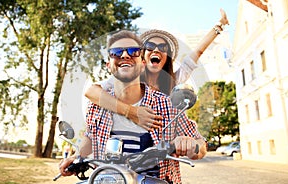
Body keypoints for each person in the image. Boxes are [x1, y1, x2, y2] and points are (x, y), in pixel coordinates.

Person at [59, 30, 207, 184]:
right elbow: (91, 138)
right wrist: (77, 158)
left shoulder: (167, 104)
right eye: (116, 52)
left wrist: (189, 144)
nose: (124, 55)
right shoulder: (97, 106)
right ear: (109, 64)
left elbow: (200, 146)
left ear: (142, 63)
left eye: (133, 51)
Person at [84, 9, 229, 130]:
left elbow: (197, 52)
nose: (156, 50)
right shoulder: (130, 80)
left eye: (162, 48)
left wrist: (219, 26)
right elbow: (91, 92)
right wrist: (132, 112)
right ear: (142, 57)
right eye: (150, 47)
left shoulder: (174, 80)